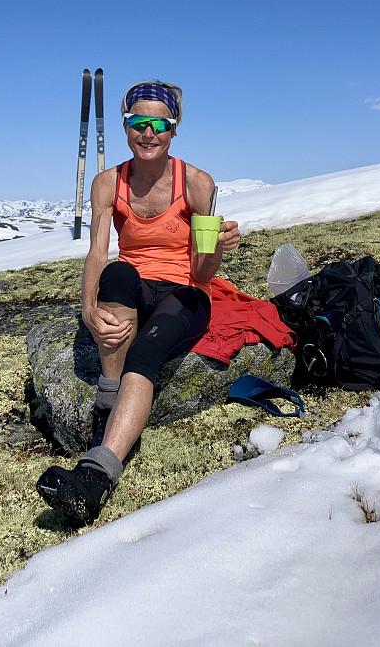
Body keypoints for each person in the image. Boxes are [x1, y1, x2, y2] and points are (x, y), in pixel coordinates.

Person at [36, 80, 240, 525]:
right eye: (137, 123)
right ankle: (111, 406)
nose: (148, 134)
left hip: (186, 292)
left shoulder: (198, 184)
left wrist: (218, 248)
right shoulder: (108, 183)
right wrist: (89, 308)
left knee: (145, 353)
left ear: (173, 128)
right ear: (127, 126)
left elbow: (204, 273)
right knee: (117, 272)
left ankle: (97, 474)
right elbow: (97, 252)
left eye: (159, 125)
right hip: (136, 286)